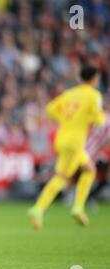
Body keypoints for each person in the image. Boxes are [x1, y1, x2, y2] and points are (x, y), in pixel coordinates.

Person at [28, 65, 105, 230]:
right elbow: (99, 121)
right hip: (75, 142)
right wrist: (91, 118)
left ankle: (65, 207)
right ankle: (43, 208)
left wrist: (64, 119)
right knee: (62, 177)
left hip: (62, 138)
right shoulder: (94, 95)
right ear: (94, 79)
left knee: (89, 170)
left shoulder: (70, 93)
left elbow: (50, 109)